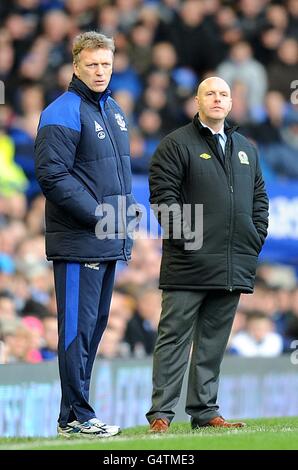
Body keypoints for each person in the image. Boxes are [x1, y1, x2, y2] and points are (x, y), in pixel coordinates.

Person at [146, 76, 269, 432]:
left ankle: (204, 412)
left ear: (231, 103)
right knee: (174, 339)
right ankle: (161, 416)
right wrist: (192, 243)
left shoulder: (245, 147)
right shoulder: (175, 144)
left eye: (224, 94)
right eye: (210, 93)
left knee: (213, 343)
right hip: (188, 262)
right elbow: (164, 200)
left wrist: (253, 237)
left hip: (233, 263)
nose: (217, 99)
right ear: (196, 102)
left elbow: (259, 199)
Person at [35, 31, 139, 437]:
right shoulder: (62, 111)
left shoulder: (113, 109)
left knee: (93, 329)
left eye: (106, 64)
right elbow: (52, 175)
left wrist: (125, 210)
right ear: (75, 65)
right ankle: (78, 415)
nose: (100, 71)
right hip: (80, 241)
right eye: (93, 64)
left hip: (108, 237)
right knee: (76, 330)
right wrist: (100, 215)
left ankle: (70, 418)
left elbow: (114, 173)